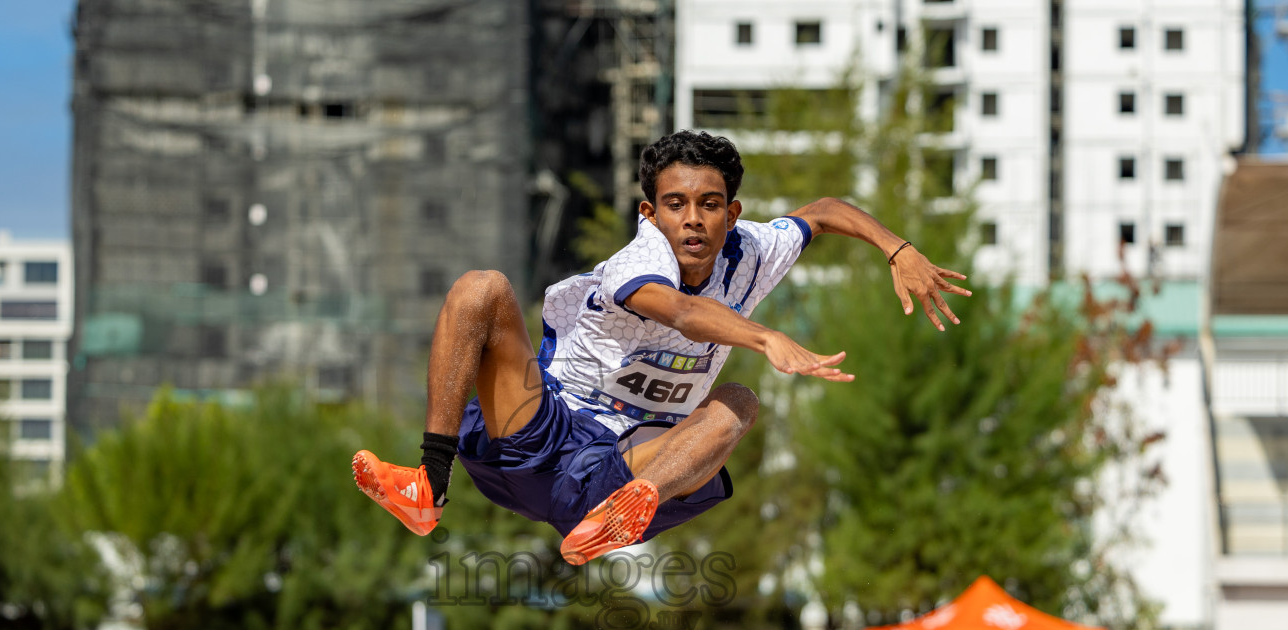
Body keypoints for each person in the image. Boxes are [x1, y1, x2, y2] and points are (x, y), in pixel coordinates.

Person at [352, 130, 969, 562]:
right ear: (651, 213)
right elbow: (681, 313)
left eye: (709, 205)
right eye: (676, 205)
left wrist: (898, 248)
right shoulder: (637, 259)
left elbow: (828, 210)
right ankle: (429, 483)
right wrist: (766, 336)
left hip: (626, 463)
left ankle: (621, 516)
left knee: (738, 402)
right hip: (539, 432)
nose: (693, 220)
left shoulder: (754, 250)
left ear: (733, 213)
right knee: (481, 288)